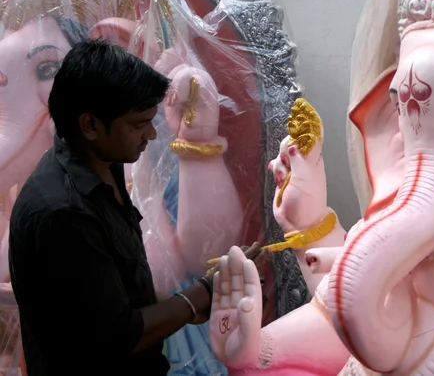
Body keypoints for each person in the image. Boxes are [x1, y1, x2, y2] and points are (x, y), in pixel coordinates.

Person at [8, 39, 262, 376]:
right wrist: (198, 297)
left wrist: (199, 299)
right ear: (90, 125)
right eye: (137, 125)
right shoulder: (63, 213)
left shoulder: (102, 164)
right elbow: (118, 334)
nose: (151, 137)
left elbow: (116, 289)